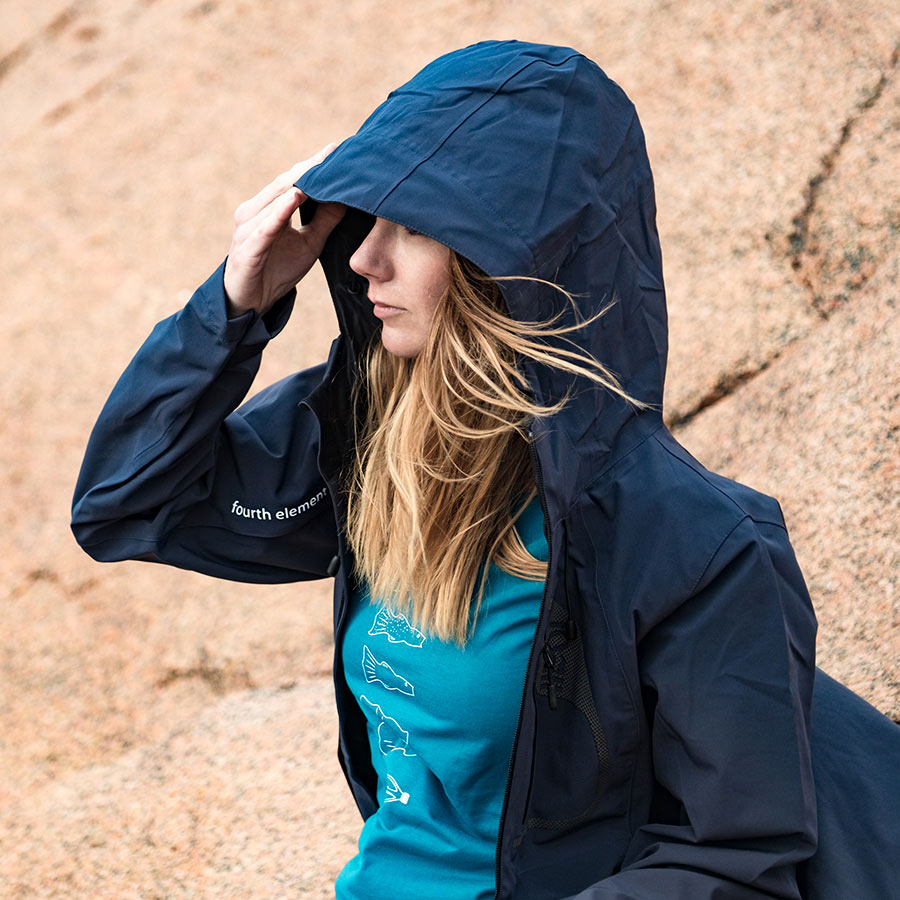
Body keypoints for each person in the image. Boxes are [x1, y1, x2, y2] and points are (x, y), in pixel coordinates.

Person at [71, 40, 827, 899]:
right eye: (369, 219)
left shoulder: (692, 544)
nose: (364, 259)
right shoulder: (377, 436)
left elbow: (737, 862)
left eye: (417, 227)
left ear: (515, 261)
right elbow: (126, 504)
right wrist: (237, 304)